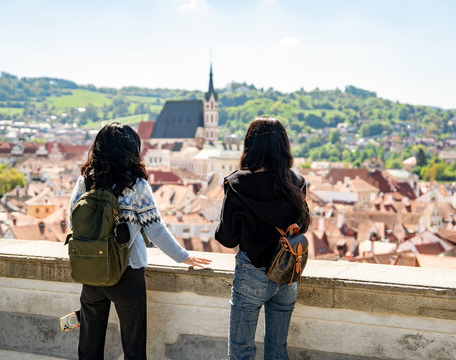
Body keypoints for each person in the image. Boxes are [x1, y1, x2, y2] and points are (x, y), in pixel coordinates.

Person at [69, 122, 211, 360]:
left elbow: (74, 222)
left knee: (88, 347)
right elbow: (154, 228)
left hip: (91, 270)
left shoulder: (86, 180)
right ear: (131, 151)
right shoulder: (136, 185)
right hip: (127, 271)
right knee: (134, 347)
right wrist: (183, 256)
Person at [215, 116, 310, 360]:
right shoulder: (297, 182)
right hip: (287, 273)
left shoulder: (237, 183)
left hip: (252, 271)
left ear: (250, 146)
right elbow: (303, 226)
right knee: (277, 351)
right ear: (283, 146)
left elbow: (227, 238)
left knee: (241, 352)